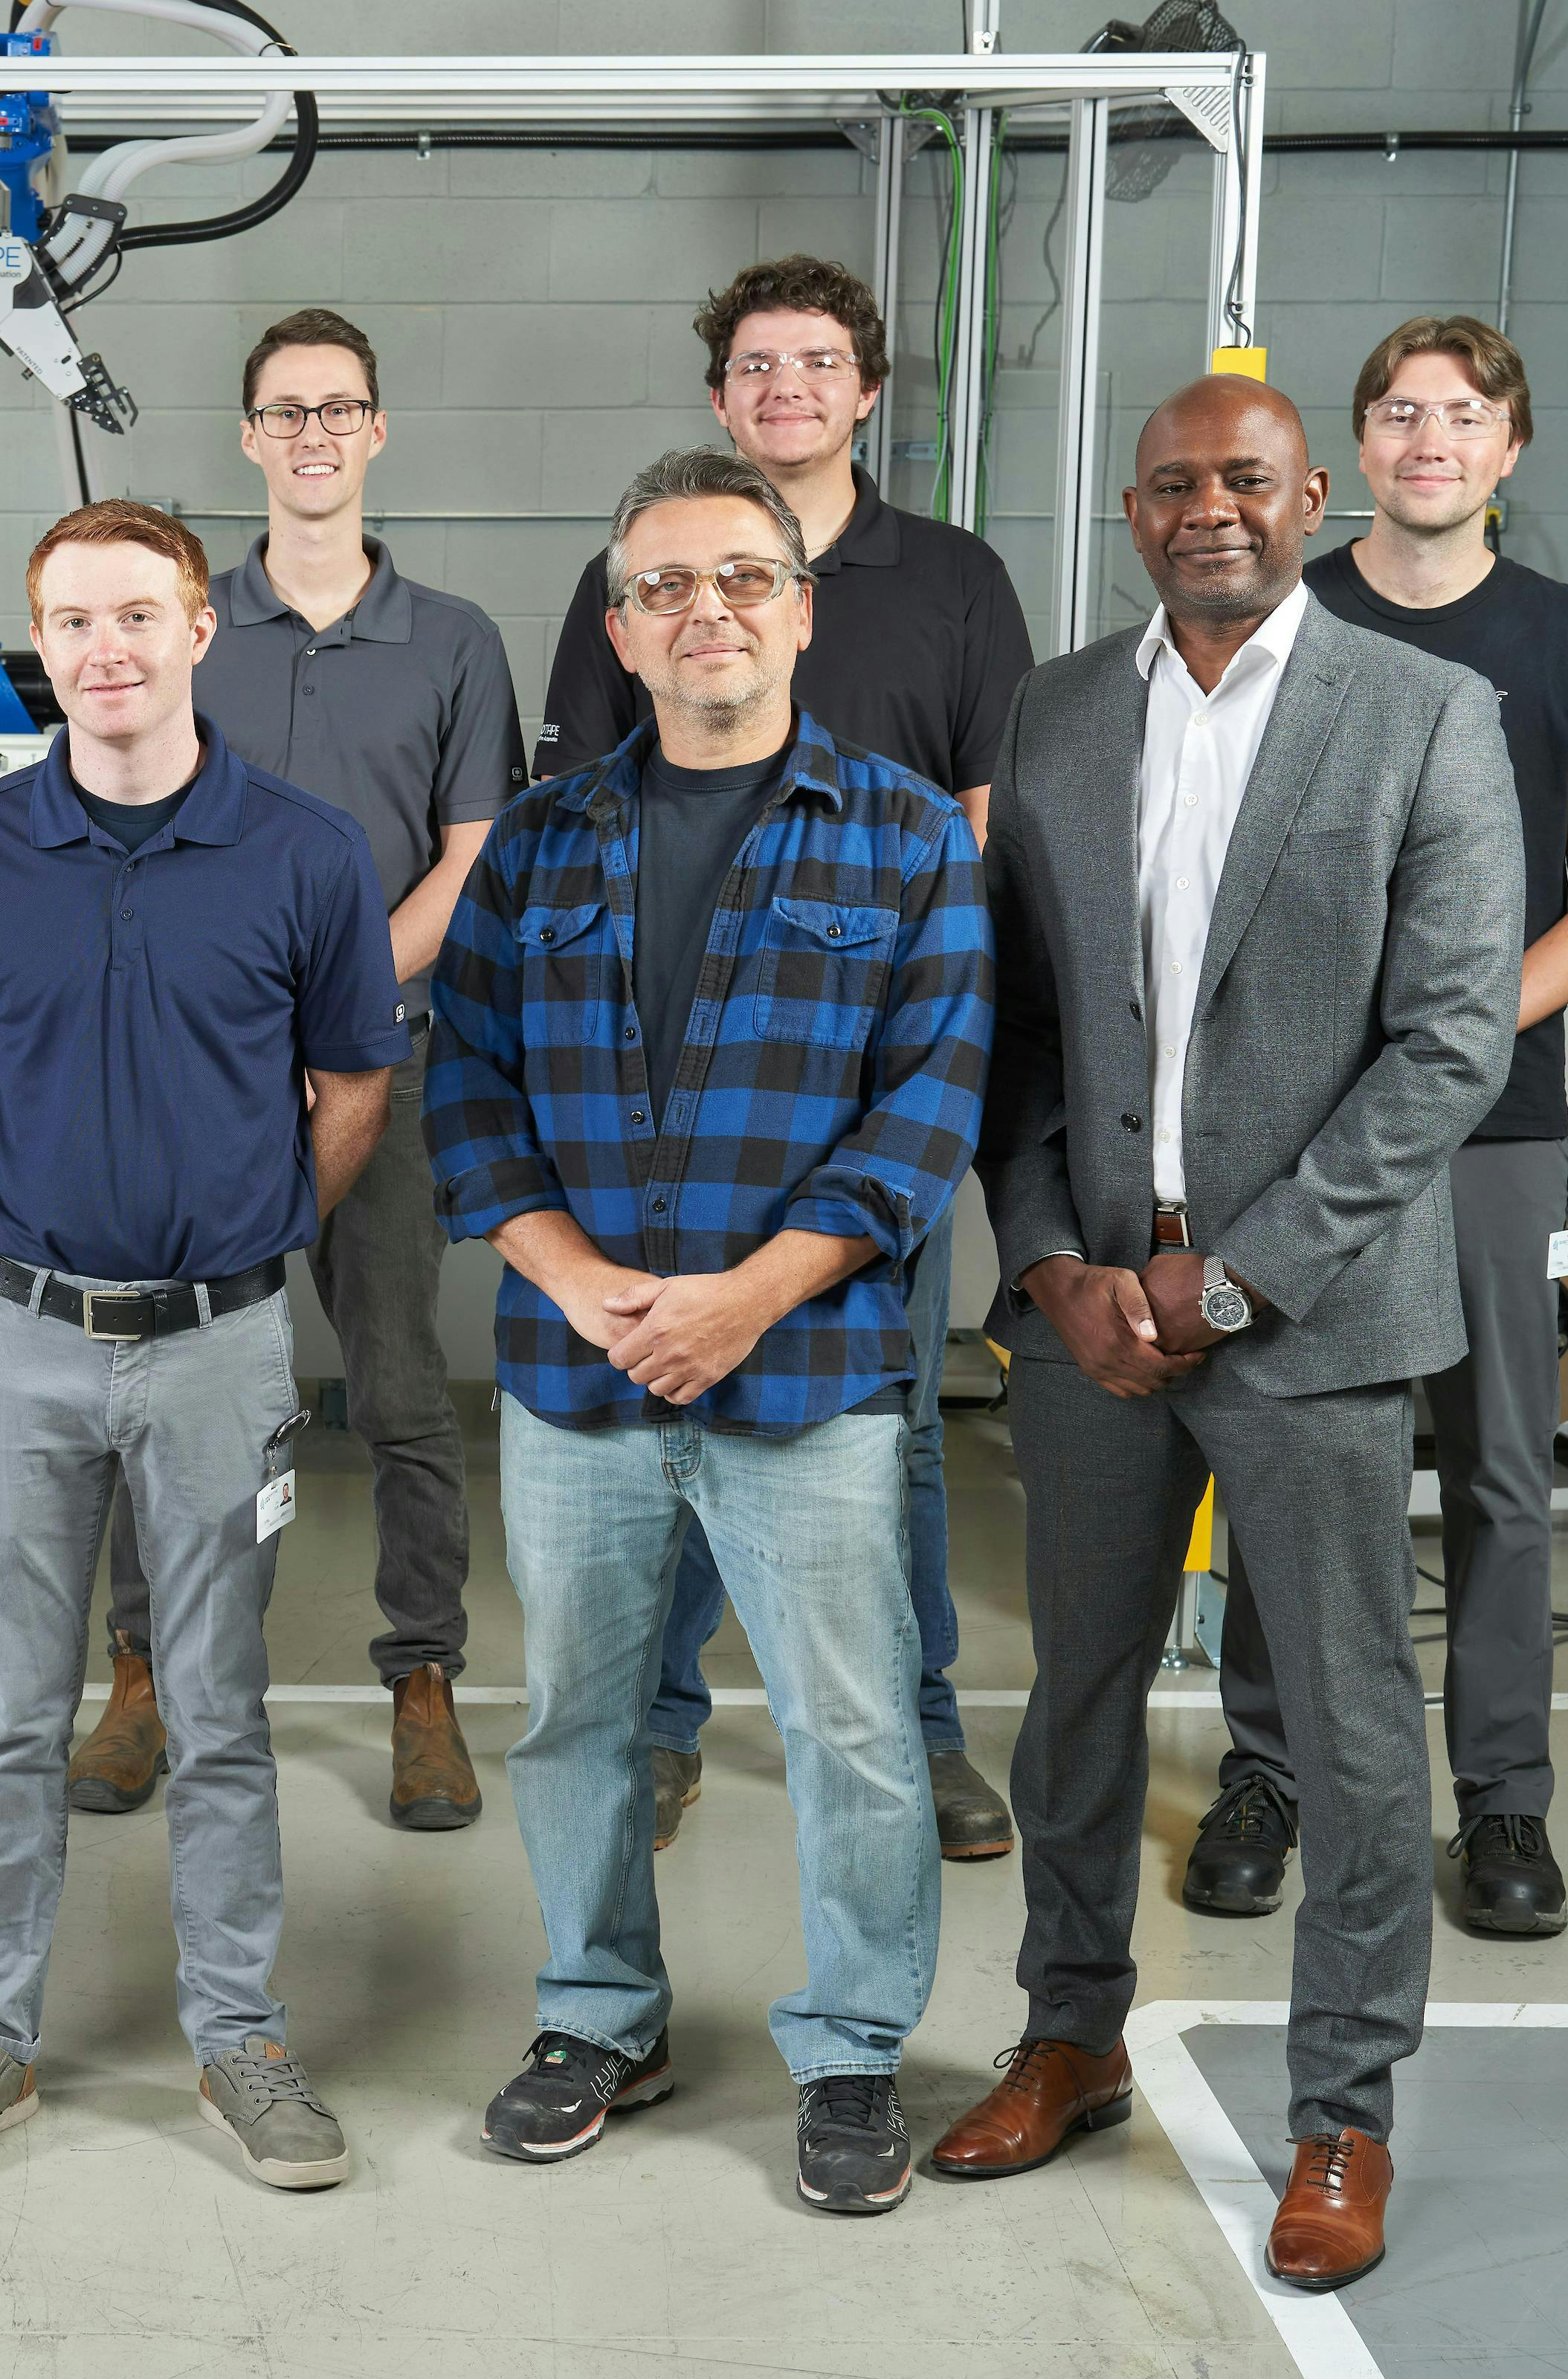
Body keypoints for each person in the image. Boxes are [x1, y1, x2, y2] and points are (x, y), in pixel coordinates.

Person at [929, 377, 1519, 2294]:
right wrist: (1046, 1260)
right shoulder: (1059, 712)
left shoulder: (1424, 712)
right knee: (1077, 1701)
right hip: (1095, 1318)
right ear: (1132, 510)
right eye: (1174, 483)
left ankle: (1342, 2109)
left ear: (1310, 495)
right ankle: (1070, 2032)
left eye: (1245, 480)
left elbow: (1451, 1042)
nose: (1211, 509)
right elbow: (1018, 1025)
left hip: (1312, 1321)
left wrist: (1239, 1275)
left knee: (1349, 1730)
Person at [433, 447, 990, 2217]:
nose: (707, 612)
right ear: (618, 630)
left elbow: (928, 1108)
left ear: (801, 609)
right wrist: (573, 1278)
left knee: (854, 1732)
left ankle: (852, 2045)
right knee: (577, 1722)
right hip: (577, 1372)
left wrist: (751, 1295)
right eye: (664, 586)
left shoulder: (909, 835)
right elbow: (468, 1085)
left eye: (744, 577)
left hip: (808, 1374)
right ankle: (600, 2014)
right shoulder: (540, 840)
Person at [0, 499, 404, 2194]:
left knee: (220, 1712)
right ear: (45, 645)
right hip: (16, 1343)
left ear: (196, 631)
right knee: (16, 1714)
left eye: (135, 616)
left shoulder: (308, 852)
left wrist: (246, 1234)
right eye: (72, 622)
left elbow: (355, 1082)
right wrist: (55, 1225)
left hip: (222, 1351)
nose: (105, 650)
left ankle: (239, 2037)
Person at [537, 256, 1033, 1863]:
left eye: (818, 361)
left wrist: (901, 977)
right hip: (663, 1084)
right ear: (719, 394)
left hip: (863, 1064)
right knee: (657, 1392)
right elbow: (580, 812)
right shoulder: (631, 568)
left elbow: (987, 816)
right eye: (756, 364)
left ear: (866, 391)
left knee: (889, 1419)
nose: (787, 387)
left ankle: (923, 1724)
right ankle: (659, 1728)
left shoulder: (953, 578)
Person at [1186, 316, 1568, 1939]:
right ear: (1352, 454)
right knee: (1292, 1452)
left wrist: (1441, 1046)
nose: (1430, 438)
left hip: (1493, 1118)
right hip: (1294, 1122)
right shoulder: (1286, 617)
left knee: (1501, 1472)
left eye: (1462, 414)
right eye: (1399, 412)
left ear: (1508, 447)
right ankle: (1269, 1772)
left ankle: (1505, 1800)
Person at [65, 306, 524, 1835]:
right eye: (285, 411)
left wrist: (340, 1005)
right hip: (198, 1082)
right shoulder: (190, 623)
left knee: (399, 1386)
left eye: (339, 409)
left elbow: (474, 855)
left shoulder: (453, 639)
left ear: (376, 430)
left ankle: (423, 1679)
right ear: (249, 436)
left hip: (386, 1070)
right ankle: (145, 1670)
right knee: (169, 1388)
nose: (312, 434)